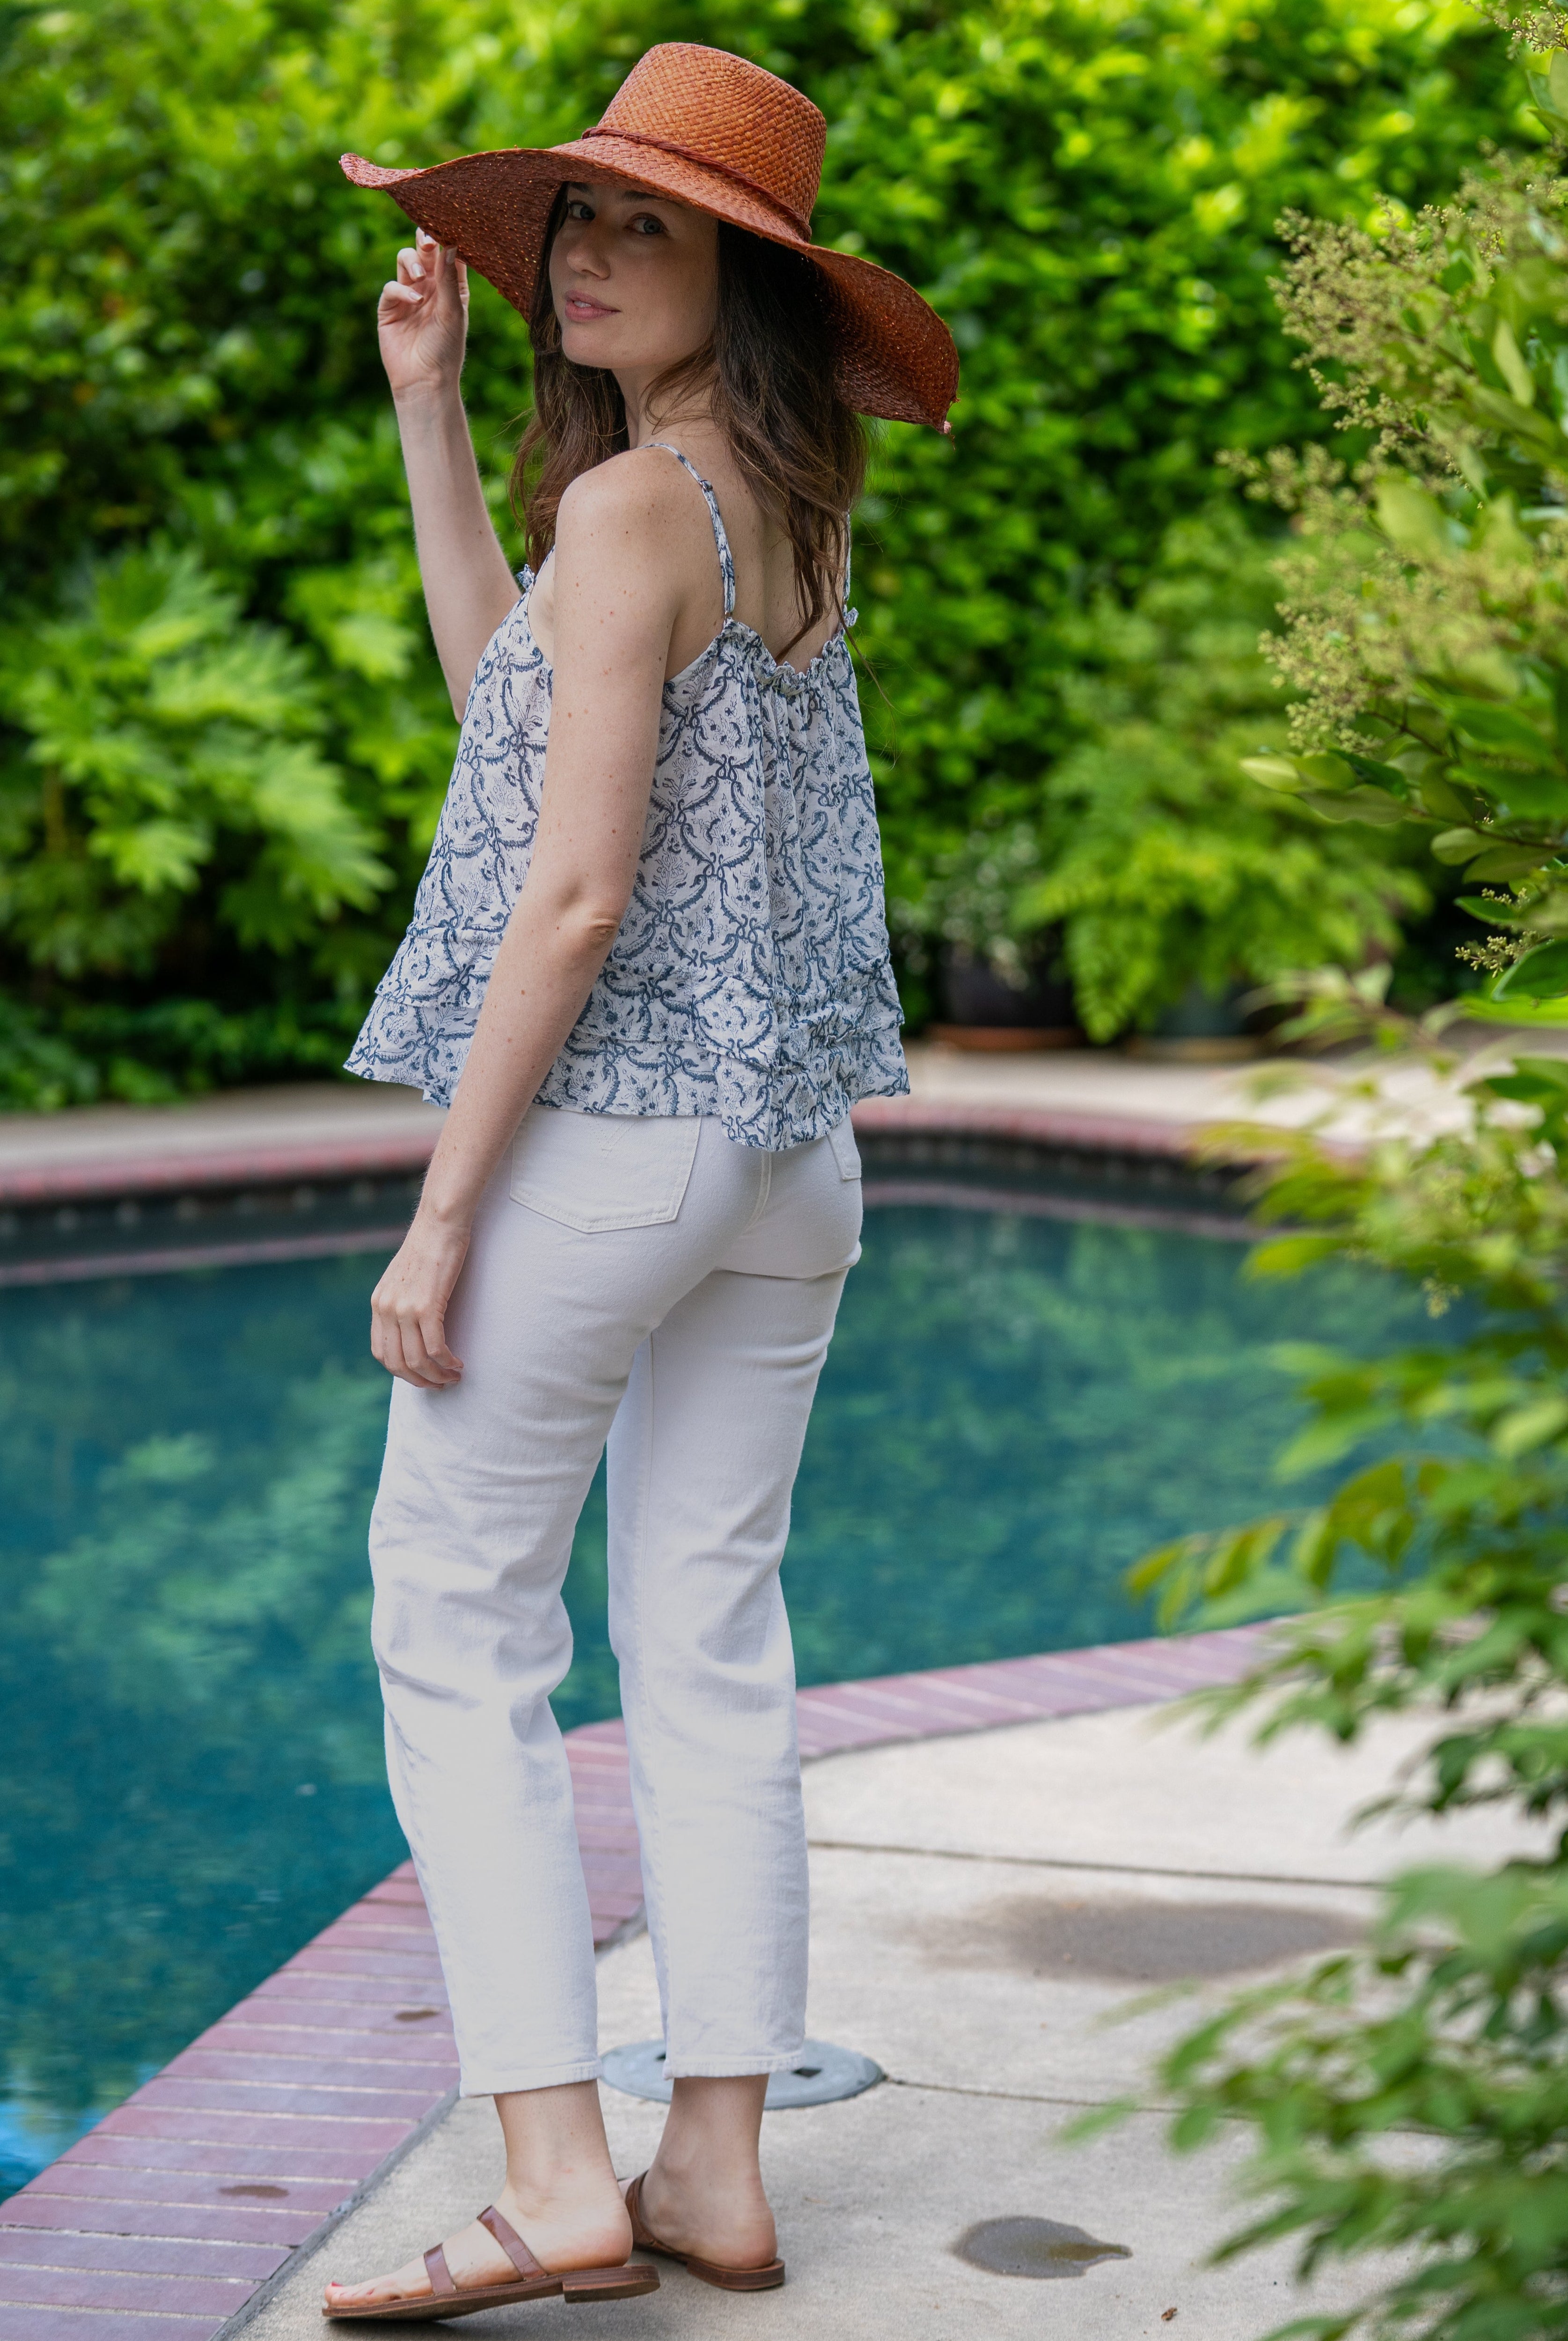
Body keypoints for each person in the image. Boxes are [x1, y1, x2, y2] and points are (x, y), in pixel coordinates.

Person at [320, 42, 957, 2322]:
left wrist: (443, 1207)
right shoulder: (767, 506)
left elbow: (569, 894)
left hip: (620, 1139)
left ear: (741, 283)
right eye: (572, 222)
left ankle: (551, 2167)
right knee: (707, 1643)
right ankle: (711, 2167)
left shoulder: (633, 516)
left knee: (454, 1616)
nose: (583, 256)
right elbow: (518, 704)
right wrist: (429, 411)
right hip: (789, 1162)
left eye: (639, 229)